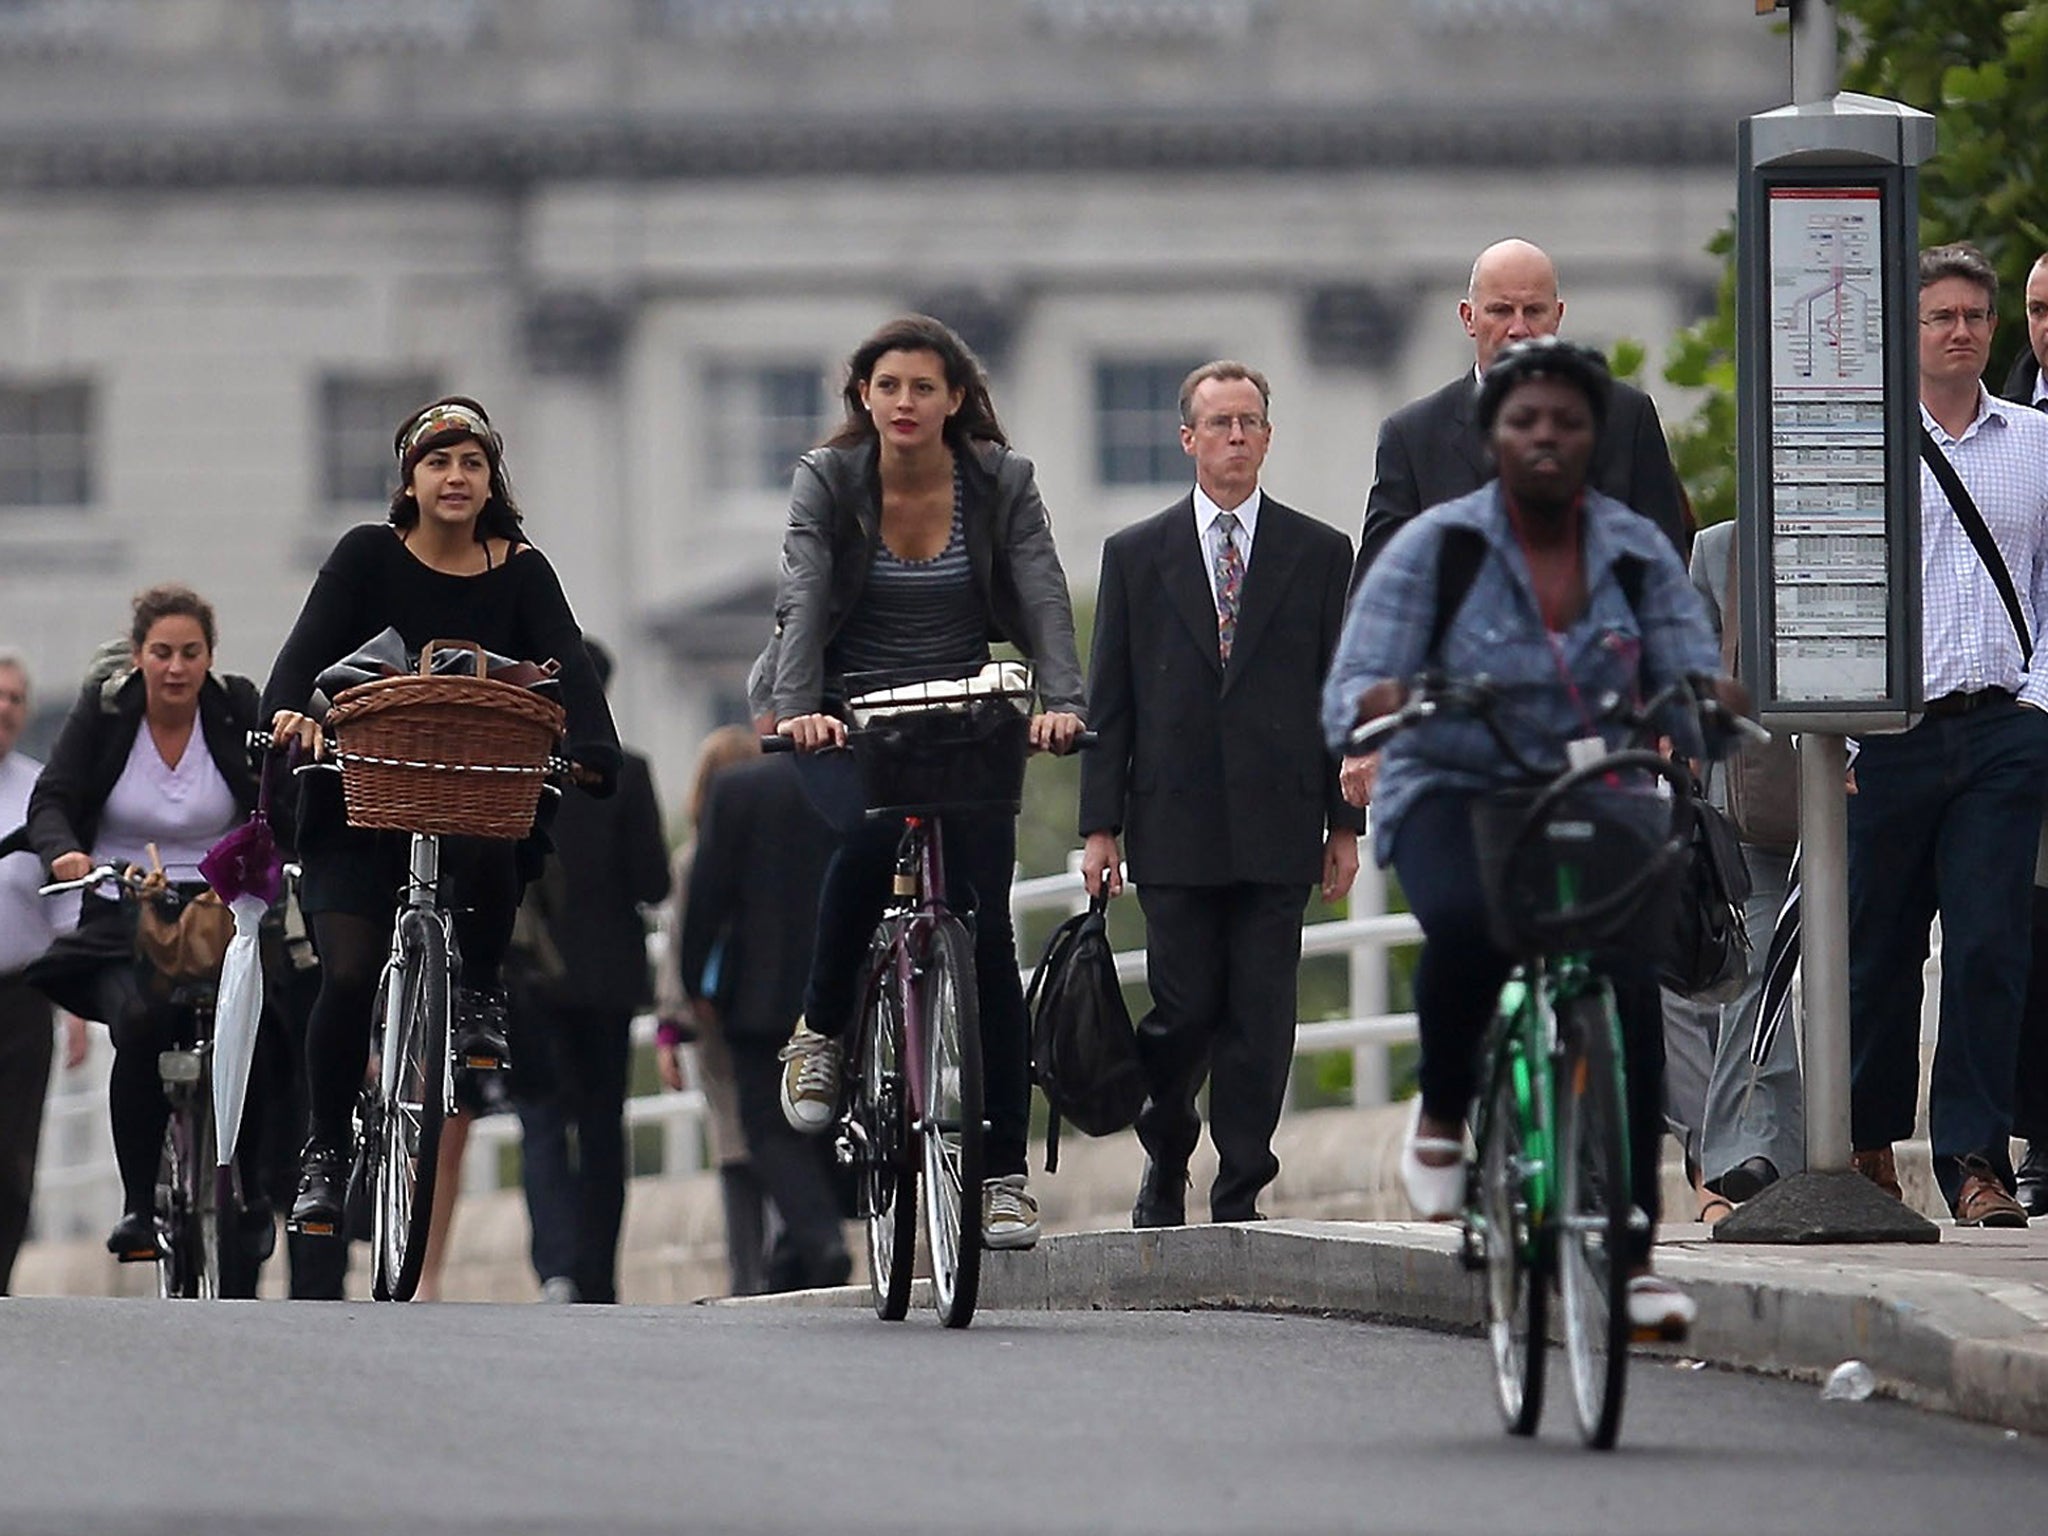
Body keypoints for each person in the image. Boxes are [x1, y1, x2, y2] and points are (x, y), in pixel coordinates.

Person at [1323, 337, 1735, 1338]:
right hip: (1453, 786)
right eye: (1524, 420)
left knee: (1628, 984)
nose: (1545, 436)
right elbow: (1353, 685)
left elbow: (1683, 657)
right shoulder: (1439, 548)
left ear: (1593, 439)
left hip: (1590, 780)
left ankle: (1631, 1253)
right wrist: (1394, 702)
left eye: (1566, 421)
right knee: (1468, 924)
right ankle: (1440, 1120)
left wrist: (1705, 702)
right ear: (1489, 436)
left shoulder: (1631, 550)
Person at [264, 395, 621, 1237]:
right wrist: (289, 713)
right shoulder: (365, 557)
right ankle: (324, 1152)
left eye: (471, 463)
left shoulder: (522, 569)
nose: (455, 478)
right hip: (359, 795)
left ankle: (483, 993)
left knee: (498, 836)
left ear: (492, 479)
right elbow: (299, 657)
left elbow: (569, 662)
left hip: (472, 791)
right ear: (409, 481)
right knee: (347, 973)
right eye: (437, 462)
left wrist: (597, 747)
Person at [767, 314, 1085, 1252]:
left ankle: (1001, 1178)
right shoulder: (828, 481)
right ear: (863, 397)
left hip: (960, 708)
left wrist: (1059, 703)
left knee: (983, 936)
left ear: (955, 399)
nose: (905, 403)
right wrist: (798, 708)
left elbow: (1043, 596)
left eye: (923, 388)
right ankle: (822, 1029)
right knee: (868, 837)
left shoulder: (1001, 482)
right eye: (888, 386)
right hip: (844, 708)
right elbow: (803, 594)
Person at [1080, 360, 1361, 1227]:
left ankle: (1242, 1186)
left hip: (1280, 824)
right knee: (1183, 1011)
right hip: (1174, 826)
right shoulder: (1135, 556)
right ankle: (1167, 1158)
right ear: (1188, 439)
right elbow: (1111, 703)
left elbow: (1338, 690)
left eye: (1250, 422)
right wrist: (1100, 829)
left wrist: (1344, 822)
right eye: (1220, 423)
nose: (1236, 437)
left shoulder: (1320, 553)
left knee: (1263, 1016)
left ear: (1268, 437)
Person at [1846, 244, 2048, 1228]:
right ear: (1906, 331)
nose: (1961, 330)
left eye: (1973, 314)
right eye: (1939, 317)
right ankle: (1867, 1145)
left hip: (1999, 729)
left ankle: (1974, 1163)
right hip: (1886, 735)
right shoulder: (1865, 442)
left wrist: (2036, 706)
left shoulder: (2034, 444)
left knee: (1985, 949)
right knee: (1876, 952)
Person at [16, 588, 263, 1265]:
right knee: (141, 1025)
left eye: (191, 653)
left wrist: (283, 854)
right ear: (137, 657)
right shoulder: (104, 715)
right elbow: (54, 798)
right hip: (125, 912)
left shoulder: (238, 710)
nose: (176, 668)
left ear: (211, 658)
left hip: (224, 910)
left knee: (270, 1024)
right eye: (162, 653)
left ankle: (256, 1188)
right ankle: (136, 1206)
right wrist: (63, 850)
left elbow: (280, 795)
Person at [1349, 238, 1689, 591]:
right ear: (1469, 317)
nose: (1518, 329)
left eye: (1533, 311)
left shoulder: (1626, 419)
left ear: (1558, 315)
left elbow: (1668, 575)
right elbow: (1377, 592)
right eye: (1500, 310)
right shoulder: (1413, 438)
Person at [506, 638, 670, 1305]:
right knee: (604, 1126)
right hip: (609, 978)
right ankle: (599, 1273)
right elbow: (654, 882)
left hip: (531, 977)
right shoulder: (628, 774)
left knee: (542, 1122)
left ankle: (557, 1268)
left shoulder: (515, 773)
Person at [671, 722, 850, 1293]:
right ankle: (797, 1255)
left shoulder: (739, 790)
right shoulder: (851, 781)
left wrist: (694, 977)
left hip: (758, 989)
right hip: (841, 983)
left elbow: (708, 893)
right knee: (824, 1113)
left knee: (769, 1128)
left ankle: (819, 1239)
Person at [1662, 517, 1804, 1223]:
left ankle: (1837, 1147)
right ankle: (1747, 1155)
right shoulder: (1717, 552)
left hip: (1874, 788)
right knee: (1754, 980)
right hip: (1754, 799)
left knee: (1859, 978)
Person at [655, 726, 769, 1296]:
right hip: (770, 1004)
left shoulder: (690, 860)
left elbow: (677, 951)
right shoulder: (779, 852)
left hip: (709, 1014)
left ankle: (746, 1272)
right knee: (778, 1132)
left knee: (732, 1144)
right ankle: (779, 1261)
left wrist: (670, 1032)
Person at [1997, 247, 2048, 1217]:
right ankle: (2039, 1139)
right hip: (2031, 713)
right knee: (2030, 933)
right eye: (2038, 308)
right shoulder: (2011, 424)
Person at [0, 651, 72, 1291]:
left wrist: (78, 1006)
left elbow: (65, 901)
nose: (4, 709)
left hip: (21, 994)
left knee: (13, 1149)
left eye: (16, 698)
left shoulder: (38, 791)